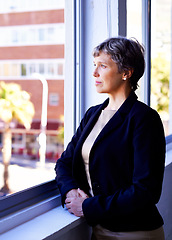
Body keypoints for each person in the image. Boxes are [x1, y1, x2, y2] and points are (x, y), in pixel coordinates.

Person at [55, 37, 166, 239]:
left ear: (126, 72)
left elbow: (146, 191)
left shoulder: (144, 119)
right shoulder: (93, 114)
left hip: (136, 233)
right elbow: (64, 162)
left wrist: (88, 206)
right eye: (95, 65)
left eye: (103, 66)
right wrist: (70, 191)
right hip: (99, 230)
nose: (94, 73)